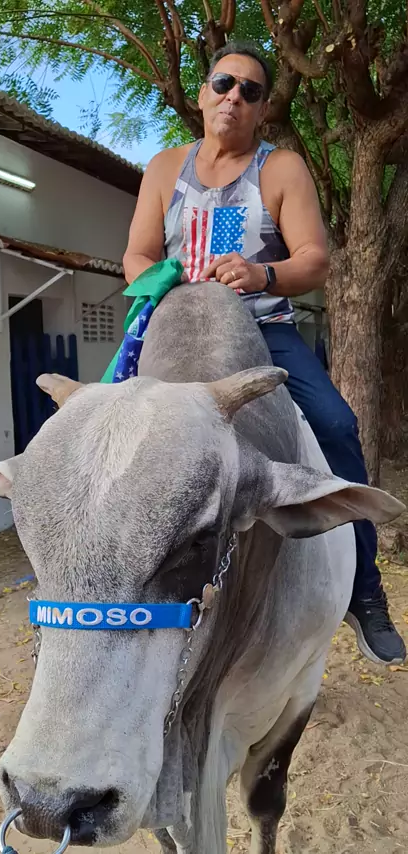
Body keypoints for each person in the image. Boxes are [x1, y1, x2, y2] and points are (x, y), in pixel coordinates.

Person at [122, 40, 406, 666]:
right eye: (224, 84)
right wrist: (164, 278)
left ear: (262, 108)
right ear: (204, 94)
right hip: (175, 329)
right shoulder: (164, 168)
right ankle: (109, 577)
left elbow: (315, 261)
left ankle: (365, 591)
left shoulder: (281, 169)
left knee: (337, 425)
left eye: (250, 91)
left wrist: (261, 275)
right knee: (102, 431)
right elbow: (136, 256)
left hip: (263, 330)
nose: (234, 97)